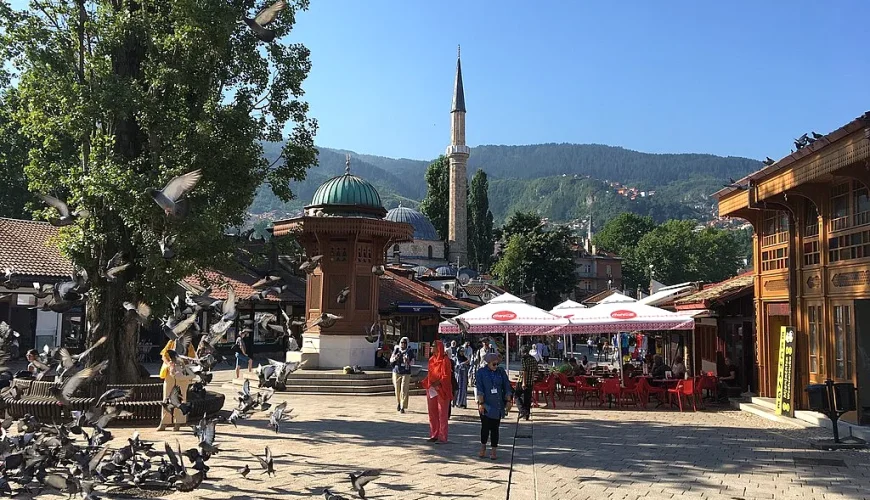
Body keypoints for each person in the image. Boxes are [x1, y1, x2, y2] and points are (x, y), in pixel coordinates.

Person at [475, 352, 513, 459]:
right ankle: (483, 447)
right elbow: (480, 388)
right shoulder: (481, 373)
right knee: (485, 427)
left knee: (495, 428)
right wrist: (481, 403)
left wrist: (508, 400)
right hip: (486, 404)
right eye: (493, 364)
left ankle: (494, 450)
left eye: (497, 364)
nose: (496, 366)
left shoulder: (500, 372)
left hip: (497, 404)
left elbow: (506, 386)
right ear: (488, 363)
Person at [158, 337, 196, 431]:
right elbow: (164, 355)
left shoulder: (189, 345)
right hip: (170, 372)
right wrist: (169, 364)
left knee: (181, 397)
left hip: (182, 373)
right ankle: (164, 422)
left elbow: (192, 358)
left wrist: (182, 364)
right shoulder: (171, 342)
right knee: (166, 397)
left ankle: (178, 422)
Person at [421, 340, 453, 443]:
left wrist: (438, 382)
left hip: (442, 389)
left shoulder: (445, 360)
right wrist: (424, 383)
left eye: (433, 346)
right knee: (432, 412)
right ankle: (434, 434)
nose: (431, 348)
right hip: (431, 389)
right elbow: (430, 375)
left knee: (442, 414)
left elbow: (446, 376)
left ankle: (442, 437)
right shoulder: (431, 360)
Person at [390, 337, 415, 413]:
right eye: (402, 343)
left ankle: (402, 406)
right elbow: (391, 360)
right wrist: (395, 358)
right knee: (397, 389)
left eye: (404, 343)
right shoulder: (397, 350)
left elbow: (413, 362)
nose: (403, 344)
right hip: (396, 371)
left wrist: (407, 361)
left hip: (406, 372)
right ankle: (398, 402)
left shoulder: (409, 351)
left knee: (404, 389)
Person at [516, 346, 537, 420]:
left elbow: (524, 371)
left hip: (522, 381)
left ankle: (522, 411)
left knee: (516, 395)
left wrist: (523, 383)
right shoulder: (533, 359)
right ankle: (526, 415)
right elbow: (535, 370)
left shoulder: (524, 359)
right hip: (530, 381)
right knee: (527, 399)